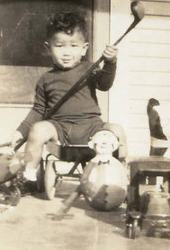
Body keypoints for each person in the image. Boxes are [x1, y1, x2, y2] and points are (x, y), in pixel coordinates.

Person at [10, 12, 119, 182]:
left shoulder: (89, 69)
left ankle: (122, 171)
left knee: (116, 130)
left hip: (91, 127)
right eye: (60, 46)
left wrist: (110, 62)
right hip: (59, 128)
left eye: (74, 46)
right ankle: (28, 174)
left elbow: (105, 84)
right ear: (48, 48)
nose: (67, 53)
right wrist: (21, 131)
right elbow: (38, 110)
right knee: (38, 130)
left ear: (84, 48)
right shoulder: (46, 79)